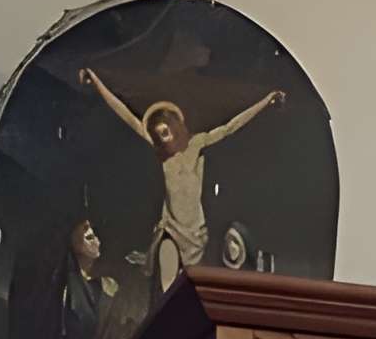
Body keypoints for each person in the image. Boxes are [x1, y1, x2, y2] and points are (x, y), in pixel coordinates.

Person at [79, 69, 286, 290]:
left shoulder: (196, 145)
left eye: (165, 131)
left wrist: (266, 102)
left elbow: (231, 127)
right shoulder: (163, 157)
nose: (162, 137)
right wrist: (97, 82)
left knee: (191, 287)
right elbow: (127, 116)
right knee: (167, 283)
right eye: (158, 134)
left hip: (195, 232)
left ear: (175, 127)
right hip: (171, 229)